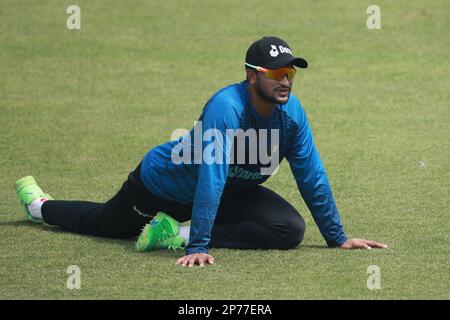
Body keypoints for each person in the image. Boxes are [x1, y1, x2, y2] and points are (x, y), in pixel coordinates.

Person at [15, 36, 387, 268]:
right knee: (103, 225)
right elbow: (211, 175)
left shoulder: (292, 115)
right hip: (162, 186)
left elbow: (311, 173)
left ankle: (174, 231)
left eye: (290, 72)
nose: (285, 80)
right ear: (252, 76)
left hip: (227, 193)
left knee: (288, 229)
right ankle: (40, 206)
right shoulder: (225, 108)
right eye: (275, 73)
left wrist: (337, 237)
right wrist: (200, 246)